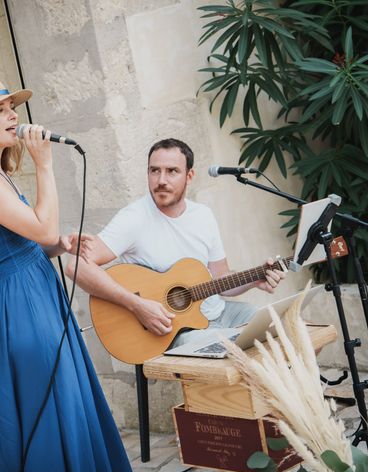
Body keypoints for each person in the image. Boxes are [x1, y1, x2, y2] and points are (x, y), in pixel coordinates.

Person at [0, 72, 134, 472]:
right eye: (0, 110)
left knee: (64, 397)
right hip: (22, 305)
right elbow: (40, 228)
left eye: (12, 107)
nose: (14, 116)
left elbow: (35, 237)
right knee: (50, 405)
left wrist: (59, 245)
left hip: (38, 290)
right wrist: (44, 166)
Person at [66, 138, 286, 349]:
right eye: (155, 170)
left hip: (220, 314)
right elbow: (76, 266)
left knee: (287, 332)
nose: (161, 180)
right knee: (237, 348)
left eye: (172, 171)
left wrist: (255, 279)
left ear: (189, 176)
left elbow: (220, 278)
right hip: (173, 331)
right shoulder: (133, 218)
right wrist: (137, 305)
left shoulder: (203, 215)